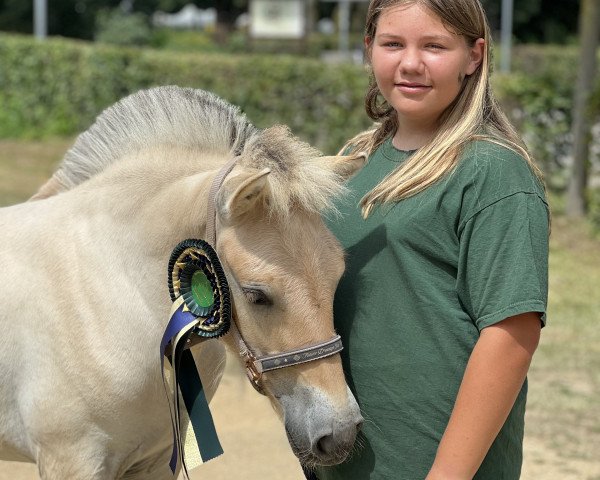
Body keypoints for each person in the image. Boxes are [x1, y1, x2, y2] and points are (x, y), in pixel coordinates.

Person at [312, 1, 549, 479]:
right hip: (346, 463)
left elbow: (512, 335)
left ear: (474, 56)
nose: (411, 63)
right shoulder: (353, 161)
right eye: (393, 43)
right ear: (368, 48)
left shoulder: (493, 172)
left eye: (435, 46)